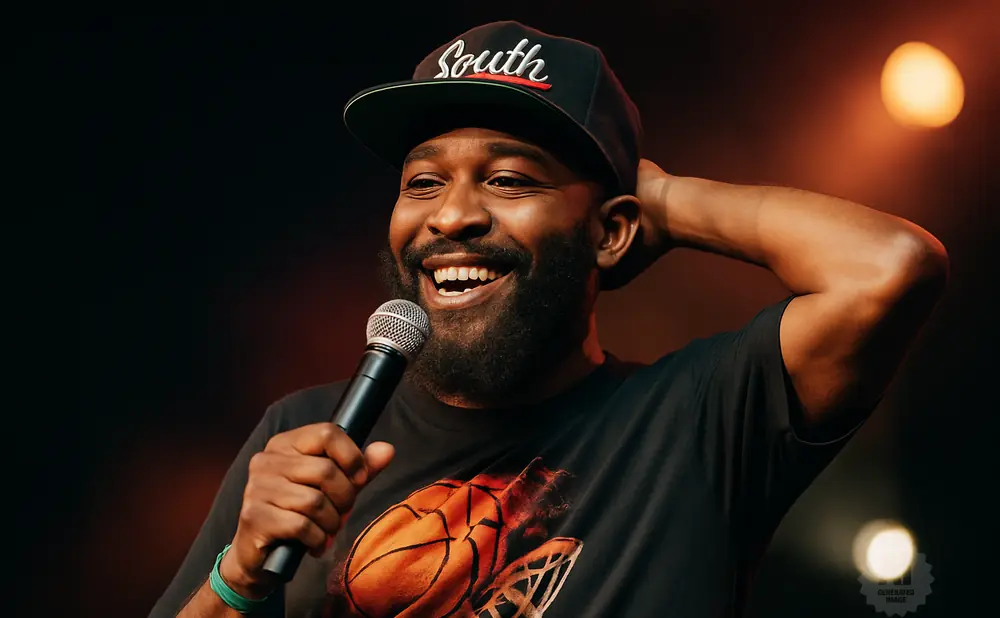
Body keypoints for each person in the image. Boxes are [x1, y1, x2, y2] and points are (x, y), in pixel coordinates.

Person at [150, 21, 948, 618]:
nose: (451, 216)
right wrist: (240, 576)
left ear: (609, 232)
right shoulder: (304, 432)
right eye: (422, 183)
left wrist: (661, 205)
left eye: (508, 179)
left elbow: (888, 267)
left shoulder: (697, 420)